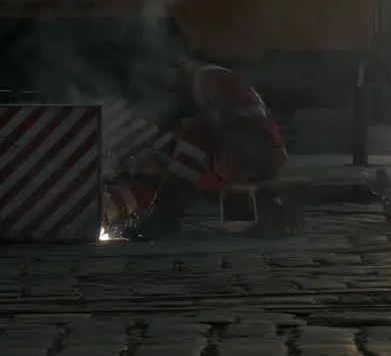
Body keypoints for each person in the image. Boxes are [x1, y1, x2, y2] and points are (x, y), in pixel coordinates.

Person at [103, 57, 288, 234]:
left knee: (194, 135)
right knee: (174, 157)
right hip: (248, 156)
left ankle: (164, 217)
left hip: (253, 156)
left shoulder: (209, 79)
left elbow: (214, 128)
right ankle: (152, 211)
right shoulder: (211, 81)